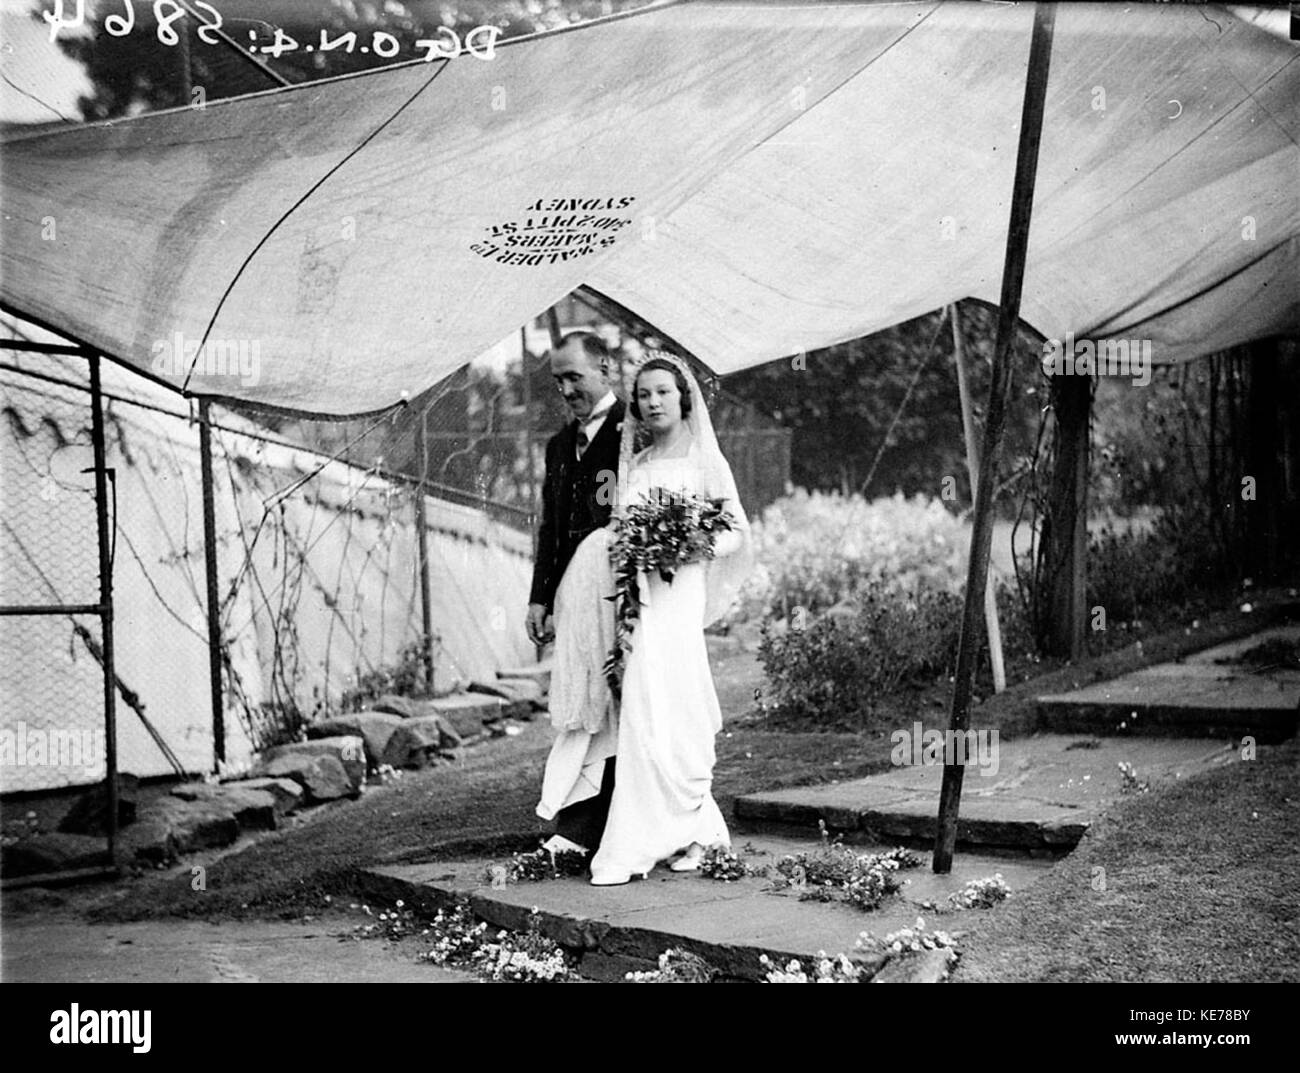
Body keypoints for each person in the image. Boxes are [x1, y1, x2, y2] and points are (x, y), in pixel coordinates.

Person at [579, 353, 752, 886]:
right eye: (644, 395)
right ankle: (639, 839)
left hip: (681, 603)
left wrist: (687, 544)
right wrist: (635, 546)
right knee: (642, 709)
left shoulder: (706, 461)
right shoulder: (639, 463)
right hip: (644, 604)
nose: (652, 403)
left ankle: (694, 829)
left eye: (662, 393)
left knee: (682, 709)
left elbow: (736, 532)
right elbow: (620, 528)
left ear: (683, 398)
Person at [528, 331, 624, 855]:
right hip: (574, 597)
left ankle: (605, 824)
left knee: (619, 702)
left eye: (574, 377)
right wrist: (539, 597)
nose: (566, 390)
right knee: (585, 702)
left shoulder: (634, 429)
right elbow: (552, 527)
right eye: (558, 380)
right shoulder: (560, 446)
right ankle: (582, 825)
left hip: (621, 594)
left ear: (605, 369)